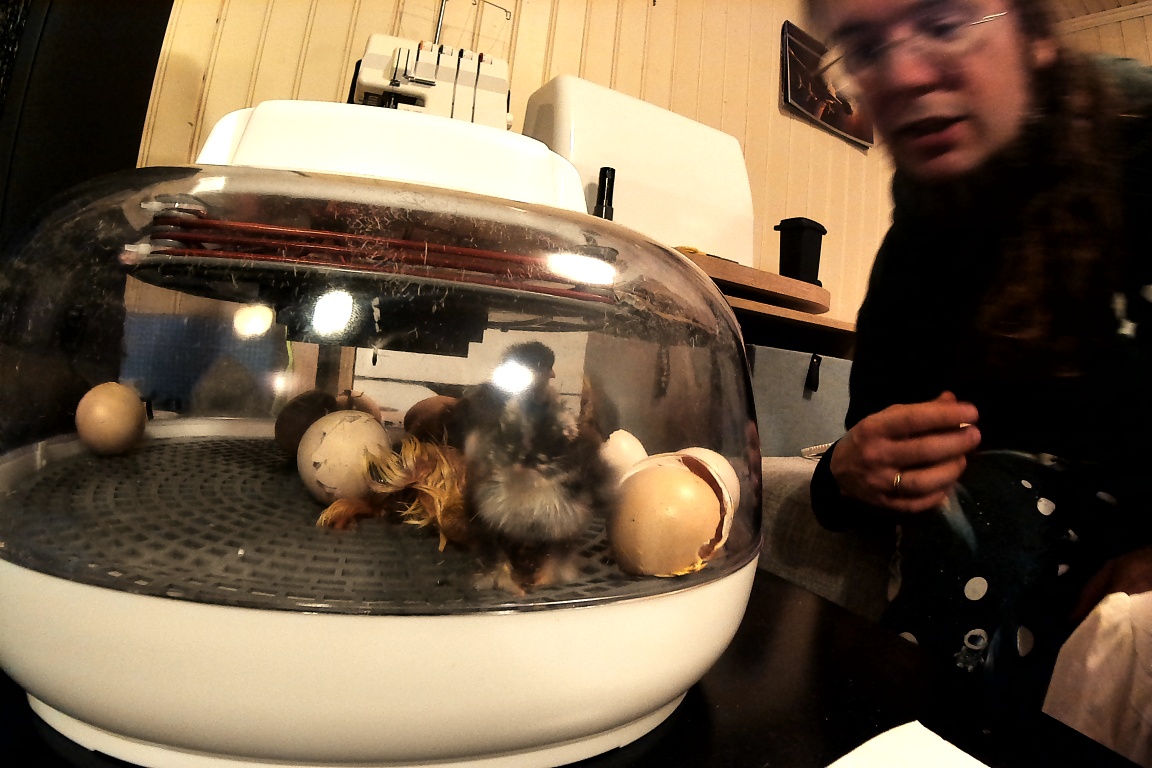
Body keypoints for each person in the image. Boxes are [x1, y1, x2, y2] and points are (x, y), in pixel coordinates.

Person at [804, 0, 1152, 719]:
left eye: (944, 23)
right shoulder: (921, 232)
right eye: (865, 48)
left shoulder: (1141, 140)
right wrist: (843, 472)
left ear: (1035, 35)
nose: (902, 74)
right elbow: (874, 439)